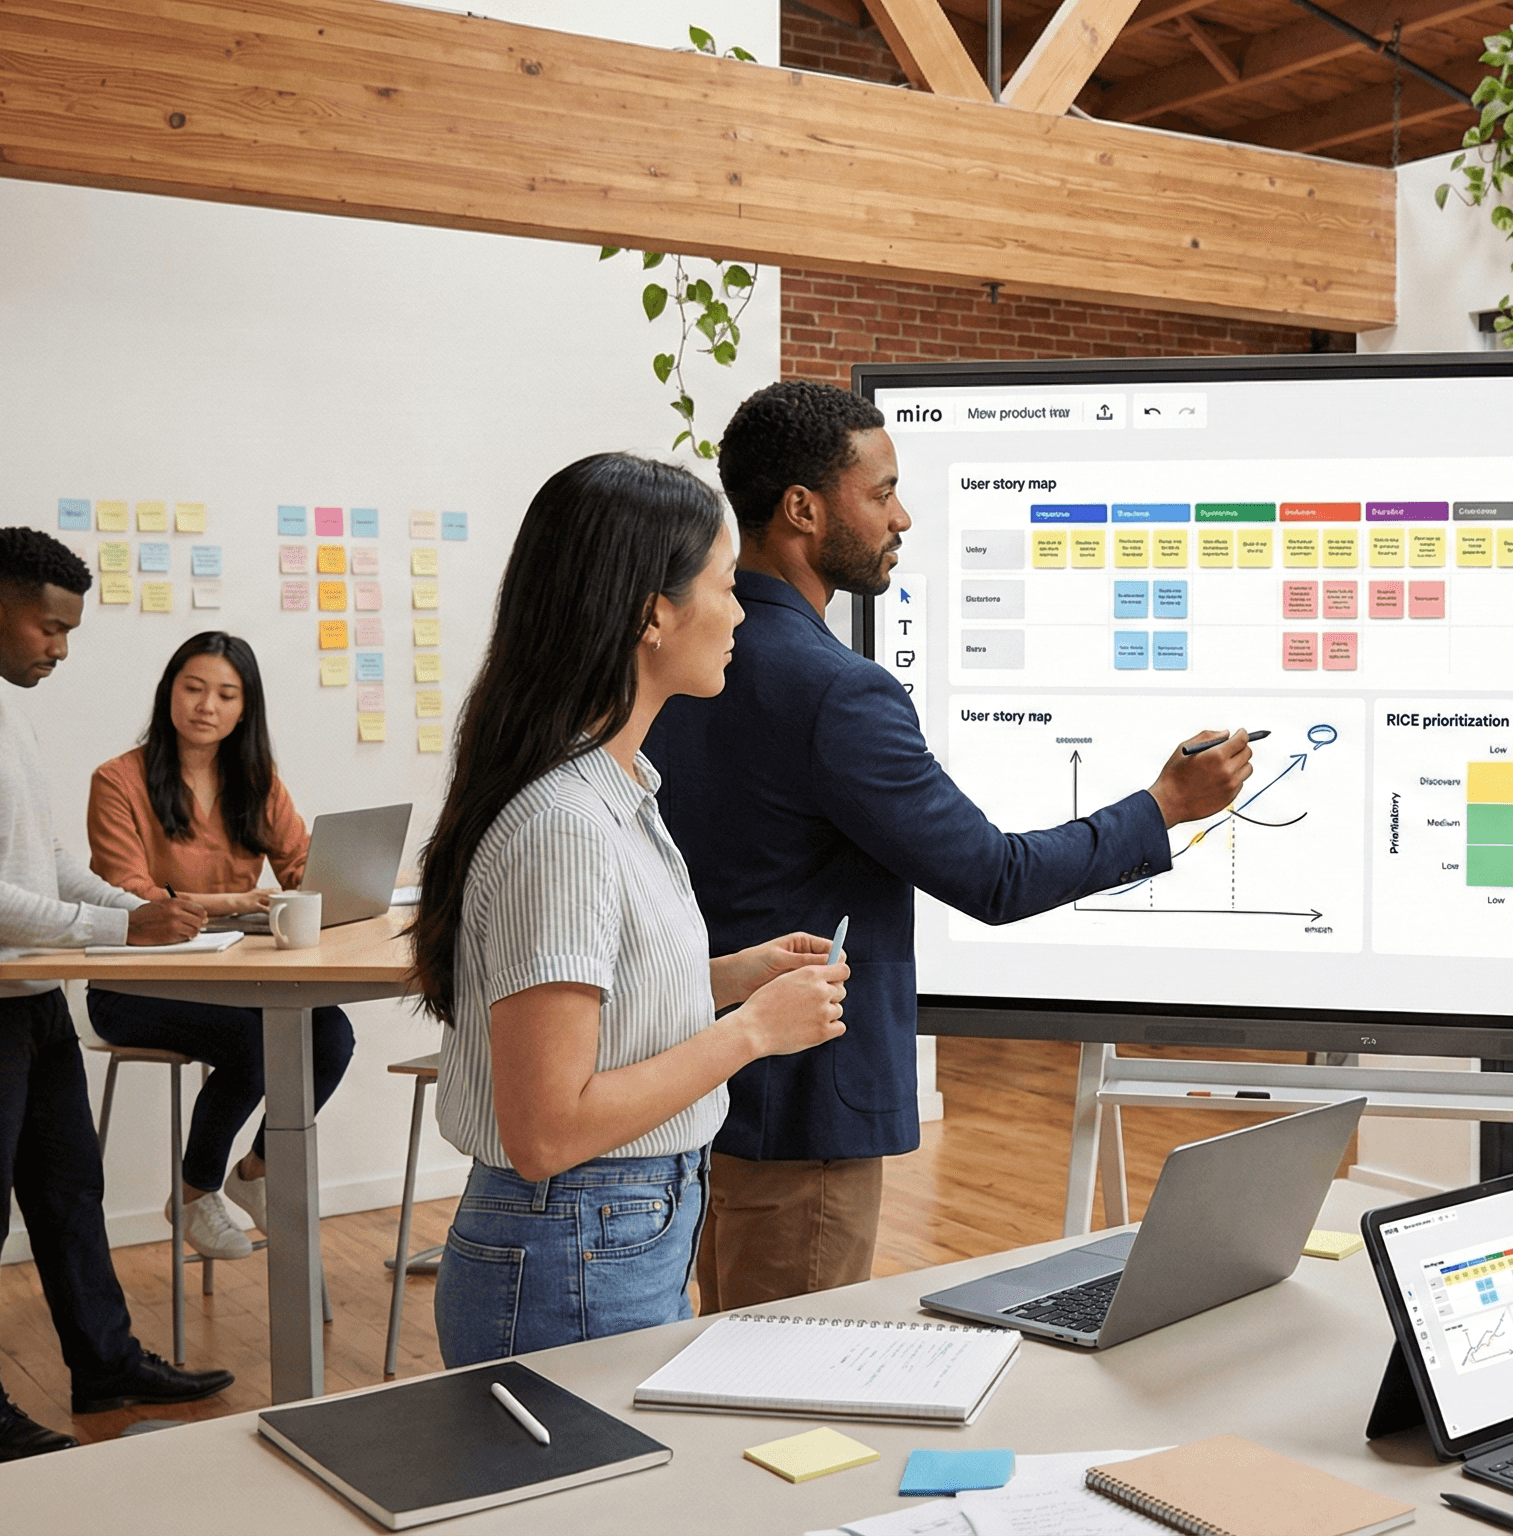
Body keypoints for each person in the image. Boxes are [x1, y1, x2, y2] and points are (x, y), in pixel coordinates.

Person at [645, 380, 1256, 1313]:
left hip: (697, 1099)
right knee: (780, 1381)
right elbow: (995, 876)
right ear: (803, 510)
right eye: (882, 492)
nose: (904, 517)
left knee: (720, 1354)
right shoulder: (835, 692)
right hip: (807, 1117)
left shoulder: (681, 662)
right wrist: (1163, 806)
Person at [413, 451, 852, 1367]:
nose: (739, 612)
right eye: (727, 586)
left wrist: (729, 981)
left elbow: (584, 1011)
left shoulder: (607, 790)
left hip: (611, 1229)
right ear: (654, 610)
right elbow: (549, 1129)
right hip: (578, 1232)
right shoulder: (565, 822)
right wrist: (753, 1033)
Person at [0, 527, 232, 1463]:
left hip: (18, 988)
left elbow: (39, 858)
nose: (60, 649)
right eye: (50, 629)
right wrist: (117, 931)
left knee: (68, 1191)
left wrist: (143, 905)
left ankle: (103, 1363)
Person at [85, 631, 355, 1261]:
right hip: (135, 984)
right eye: (194, 688)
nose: (207, 705)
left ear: (244, 709)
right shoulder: (118, 780)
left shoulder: (257, 782)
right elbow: (130, 895)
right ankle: (193, 1191)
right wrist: (236, 903)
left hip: (228, 977)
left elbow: (299, 869)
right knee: (257, 1040)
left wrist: (350, 879)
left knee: (330, 1036)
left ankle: (255, 1173)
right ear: (169, 692)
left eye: (225, 694)